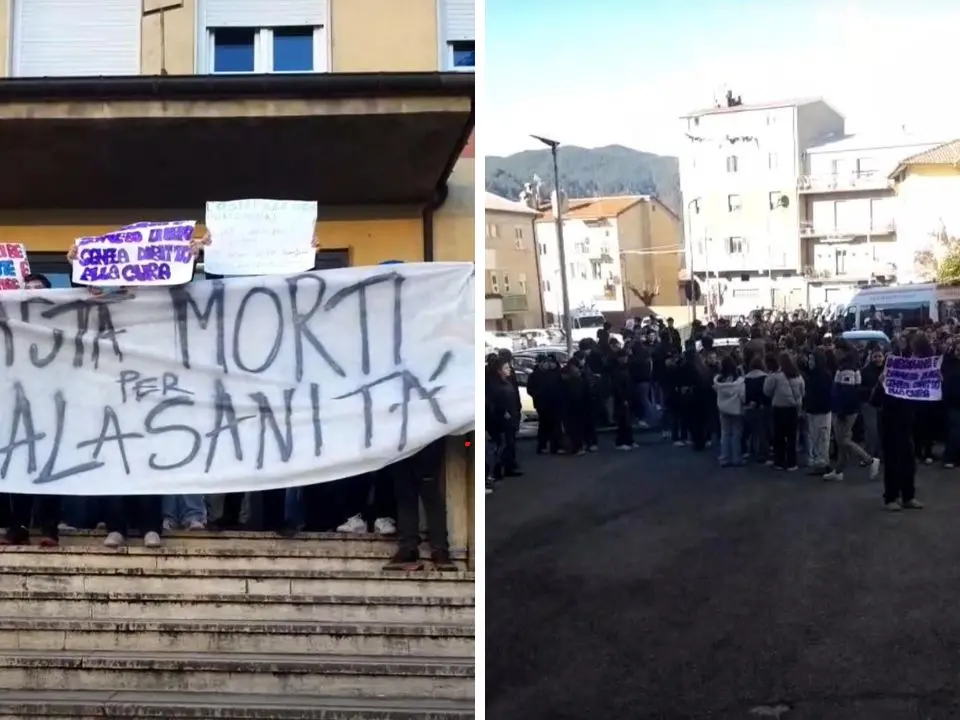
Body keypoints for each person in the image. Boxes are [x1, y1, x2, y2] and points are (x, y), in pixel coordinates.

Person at [875, 337, 928, 511]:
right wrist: (881, 383)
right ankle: (891, 497)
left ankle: (908, 496)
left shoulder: (912, 372)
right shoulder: (887, 373)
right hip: (890, 422)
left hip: (907, 422)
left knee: (908, 462)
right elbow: (875, 401)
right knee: (893, 462)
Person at [825, 341, 880, 482]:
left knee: (844, 440)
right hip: (847, 409)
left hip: (846, 410)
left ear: (842, 351)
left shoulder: (847, 369)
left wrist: (842, 411)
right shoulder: (849, 367)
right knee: (841, 442)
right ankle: (838, 470)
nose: (834, 352)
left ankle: (869, 460)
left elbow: (847, 392)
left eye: (836, 349)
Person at [764, 352, 805, 471]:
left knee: (779, 436)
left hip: (779, 408)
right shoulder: (798, 376)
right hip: (793, 409)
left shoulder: (776, 376)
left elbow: (767, 391)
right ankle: (792, 462)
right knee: (792, 437)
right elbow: (803, 392)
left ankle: (779, 461)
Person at [803, 349, 833, 475]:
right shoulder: (812, 375)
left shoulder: (824, 376)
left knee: (822, 438)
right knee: (816, 438)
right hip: (814, 410)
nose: (810, 362)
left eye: (812, 359)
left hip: (822, 411)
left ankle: (822, 463)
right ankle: (820, 462)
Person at [714, 355, 746, 467]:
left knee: (725, 433)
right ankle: (737, 458)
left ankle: (725, 457)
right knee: (736, 434)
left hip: (723, 408)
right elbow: (742, 395)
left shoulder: (719, 381)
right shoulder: (739, 381)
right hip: (736, 409)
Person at [611, 350, 635, 450]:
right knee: (623, 421)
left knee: (627, 420)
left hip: (627, 396)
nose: (626, 359)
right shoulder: (617, 370)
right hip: (621, 398)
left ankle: (629, 440)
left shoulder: (626, 368)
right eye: (624, 357)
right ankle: (621, 442)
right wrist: (623, 398)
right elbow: (617, 387)